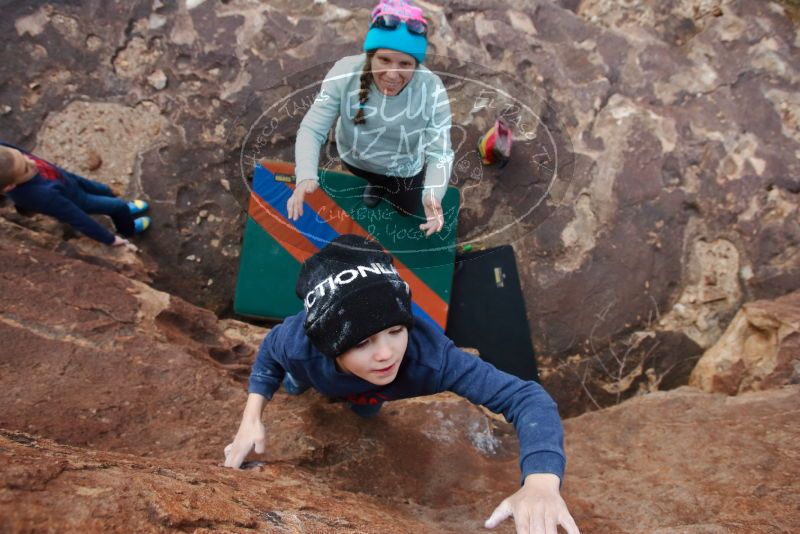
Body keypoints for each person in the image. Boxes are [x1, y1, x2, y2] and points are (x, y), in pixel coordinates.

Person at [224, 234, 580, 534]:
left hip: (370, 391)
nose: (386, 354)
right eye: (361, 342)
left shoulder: (430, 358)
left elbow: (527, 398)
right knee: (295, 383)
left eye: (395, 331)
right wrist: (251, 415)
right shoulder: (299, 345)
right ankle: (307, 384)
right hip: (313, 373)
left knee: (365, 413)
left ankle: (361, 399)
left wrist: (541, 481)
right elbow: (270, 350)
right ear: (325, 344)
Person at [286, 0, 454, 237]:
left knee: (407, 208)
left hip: (405, 171)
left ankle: (393, 195)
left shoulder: (433, 90)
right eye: (384, 60)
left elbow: (441, 152)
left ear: (416, 65)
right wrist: (305, 175)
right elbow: (313, 128)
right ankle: (375, 187)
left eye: (405, 63)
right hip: (357, 161)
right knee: (374, 182)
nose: (393, 74)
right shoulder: (344, 73)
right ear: (370, 55)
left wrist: (432, 194)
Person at [0, 143, 150, 248]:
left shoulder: (9, 157)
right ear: (10, 186)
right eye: (26, 168)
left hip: (67, 180)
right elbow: (77, 218)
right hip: (78, 200)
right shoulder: (39, 196)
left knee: (105, 190)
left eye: (23, 155)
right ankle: (128, 229)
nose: (31, 161)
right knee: (117, 206)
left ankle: (124, 211)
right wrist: (109, 239)